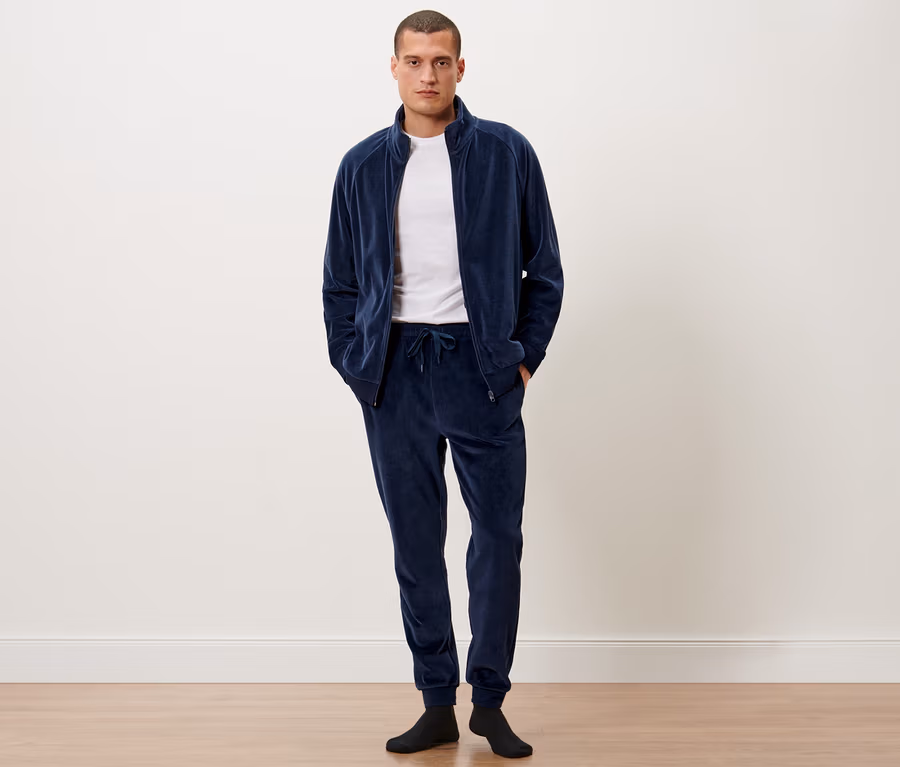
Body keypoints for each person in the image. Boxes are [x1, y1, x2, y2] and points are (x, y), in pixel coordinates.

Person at [322, 9, 563, 759]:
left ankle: (488, 701)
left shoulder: (505, 152)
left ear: (461, 67)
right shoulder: (362, 165)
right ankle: (436, 701)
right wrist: (357, 364)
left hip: (480, 368)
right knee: (416, 544)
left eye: (441, 61)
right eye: (414, 60)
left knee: (497, 539)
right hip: (394, 370)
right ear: (393, 67)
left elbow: (545, 270)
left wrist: (521, 358)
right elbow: (339, 283)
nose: (428, 74)